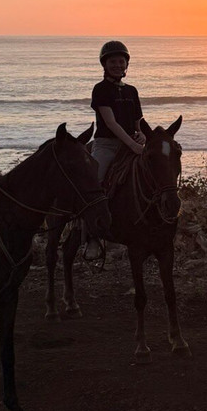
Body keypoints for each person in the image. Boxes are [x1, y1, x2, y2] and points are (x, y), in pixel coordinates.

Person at [86, 40, 146, 257]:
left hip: (132, 143)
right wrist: (131, 145)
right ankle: (91, 237)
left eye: (121, 61)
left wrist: (143, 135)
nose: (117, 65)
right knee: (95, 183)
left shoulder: (132, 90)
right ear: (105, 64)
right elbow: (110, 123)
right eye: (113, 61)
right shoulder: (101, 89)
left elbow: (139, 120)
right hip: (107, 144)